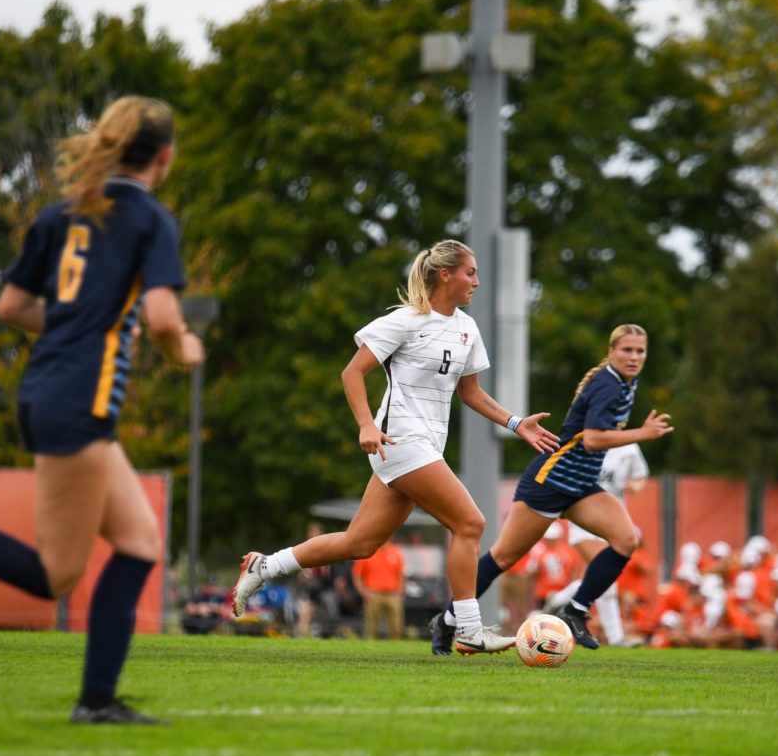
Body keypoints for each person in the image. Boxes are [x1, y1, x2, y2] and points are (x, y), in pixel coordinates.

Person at [0, 96, 199, 724]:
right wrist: (182, 346)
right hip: (76, 402)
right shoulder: (150, 219)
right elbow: (163, 316)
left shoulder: (61, 215)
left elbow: (11, 308)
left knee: (139, 542)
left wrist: (81, 321)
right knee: (54, 576)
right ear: (164, 156)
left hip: (54, 391)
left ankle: (98, 700)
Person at [229, 240, 559, 654]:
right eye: (470, 272)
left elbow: (470, 392)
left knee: (360, 543)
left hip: (424, 447)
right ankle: (468, 628)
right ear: (445, 275)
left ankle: (266, 565)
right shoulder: (404, 321)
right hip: (399, 440)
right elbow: (352, 373)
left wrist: (515, 422)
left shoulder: (466, 328)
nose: (476, 281)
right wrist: (366, 425)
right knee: (470, 524)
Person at [428, 324, 672, 654]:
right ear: (612, 351)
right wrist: (642, 434)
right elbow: (593, 438)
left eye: (640, 351)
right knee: (503, 557)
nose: (633, 356)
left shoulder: (627, 382)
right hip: (551, 481)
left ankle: (575, 611)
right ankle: (447, 620)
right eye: (626, 350)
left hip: (583, 484)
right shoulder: (608, 385)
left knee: (625, 540)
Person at [547, 443, 650, 647]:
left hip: (615, 521)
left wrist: (636, 485)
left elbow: (641, 476)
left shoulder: (629, 448)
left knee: (602, 575)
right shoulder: (585, 442)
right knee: (605, 575)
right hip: (585, 519)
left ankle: (560, 599)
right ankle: (615, 637)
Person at [351, 538, 406, 640]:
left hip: (392, 594)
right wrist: (364, 592)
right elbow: (357, 575)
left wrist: (400, 593)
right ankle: (369, 652)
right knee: (371, 628)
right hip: (374, 594)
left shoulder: (395, 551)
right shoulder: (367, 553)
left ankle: (396, 651)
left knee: (396, 629)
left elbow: (401, 575)